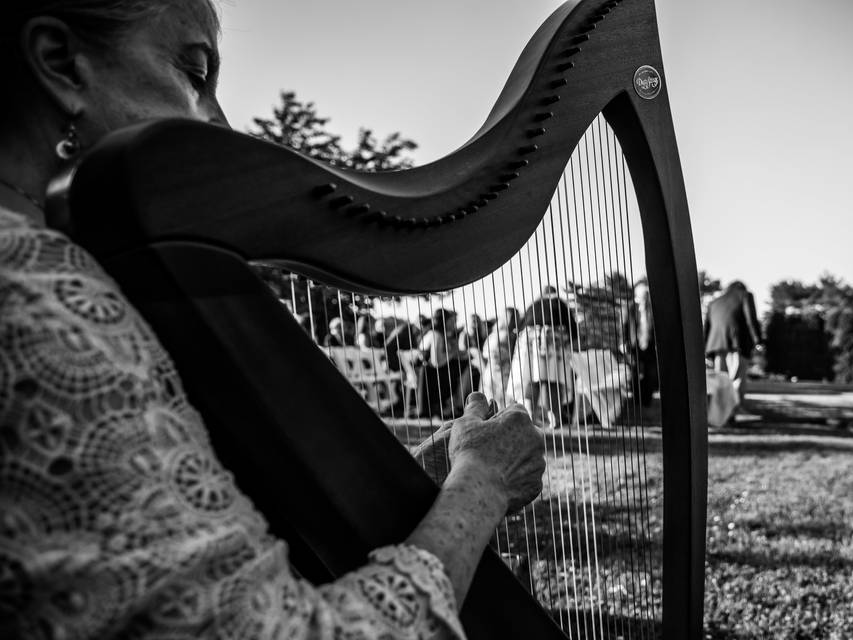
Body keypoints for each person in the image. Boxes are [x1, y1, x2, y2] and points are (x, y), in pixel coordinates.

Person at [0, 3, 546, 638]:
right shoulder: (35, 293)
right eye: (192, 72)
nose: (220, 123)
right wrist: (481, 486)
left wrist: (435, 469)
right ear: (62, 64)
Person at [507, 287, 579, 429]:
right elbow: (573, 329)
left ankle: (530, 417)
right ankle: (555, 418)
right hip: (554, 340)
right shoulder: (560, 304)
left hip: (531, 342)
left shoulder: (534, 305)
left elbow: (520, 328)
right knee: (555, 382)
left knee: (532, 381)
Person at [703, 280, 764, 407]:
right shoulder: (745, 295)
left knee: (721, 380)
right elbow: (750, 319)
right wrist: (758, 340)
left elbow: (707, 328)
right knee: (737, 379)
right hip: (737, 343)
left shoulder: (714, 302)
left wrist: (705, 350)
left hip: (716, 346)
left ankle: (722, 414)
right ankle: (735, 411)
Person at [622, 280, 658, 409]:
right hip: (634, 345)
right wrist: (623, 343)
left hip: (649, 345)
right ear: (638, 294)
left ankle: (647, 399)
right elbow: (625, 326)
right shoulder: (630, 307)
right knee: (635, 371)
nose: (646, 296)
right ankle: (637, 399)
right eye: (644, 294)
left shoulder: (652, 307)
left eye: (647, 294)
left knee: (649, 372)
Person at [480, 307, 520, 407]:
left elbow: (486, 354)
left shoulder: (493, 334)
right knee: (501, 402)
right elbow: (500, 355)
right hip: (501, 373)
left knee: (493, 402)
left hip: (492, 371)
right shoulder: (506, 335)